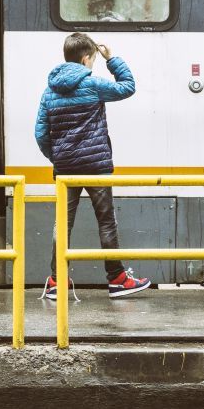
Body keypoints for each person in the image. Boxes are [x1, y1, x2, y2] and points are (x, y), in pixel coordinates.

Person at [35, 33, 153, 300]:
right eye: (95, 60)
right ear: (87, 58)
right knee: (106, 222)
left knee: (62, 225)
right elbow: (128, 86)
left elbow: (40, 133)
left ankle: (56, 282)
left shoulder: (49, 91)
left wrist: (58, 157)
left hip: (65, 169)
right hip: (96, 165)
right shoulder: (93, 84)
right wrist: (112, 59)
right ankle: (117, 279)